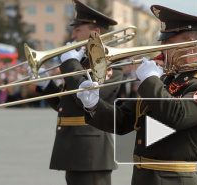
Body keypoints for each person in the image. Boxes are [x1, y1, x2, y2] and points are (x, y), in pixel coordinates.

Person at [76, 5, 197, 185]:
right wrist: (94, 105)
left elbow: (177, 116)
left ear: (191, 46)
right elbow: (124, 120)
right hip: (143, 177)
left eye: (168, 45)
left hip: (174, 179)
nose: (161, 51)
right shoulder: (164, 82)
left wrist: (151, 80)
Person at [28, 0, 122, 184]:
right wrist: (46, 86)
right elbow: (67, 106)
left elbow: (90, 102)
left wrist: (71, 65)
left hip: (91, 151)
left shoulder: (111, 63)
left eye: (78, 30)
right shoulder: (81, 61)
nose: (73, 35)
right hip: (73, 147)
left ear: (96, 33)